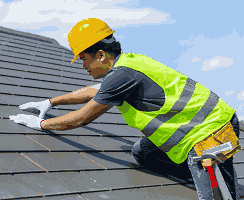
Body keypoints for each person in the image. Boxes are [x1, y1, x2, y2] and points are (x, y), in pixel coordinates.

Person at [10, 18, 240, 200]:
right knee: (143, 153)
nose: (83, 66)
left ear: (100, 55)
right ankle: (202, 177)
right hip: (198, 127)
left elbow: (81, 118)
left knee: (219, 197)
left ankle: (216, 183)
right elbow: (94, 91)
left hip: (211, 134)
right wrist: (51, 102)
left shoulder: (123, 74)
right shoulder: (126, 65)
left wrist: (41, 124)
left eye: (84, 58)